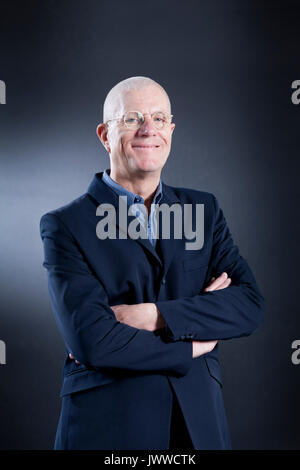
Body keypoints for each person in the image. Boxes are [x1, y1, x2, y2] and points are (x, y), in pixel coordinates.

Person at [40, 76, 264, 450]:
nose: (148, 129)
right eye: (132, 119)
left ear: (171, 131)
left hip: (198, 426)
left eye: (159, 119)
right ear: (105, 135)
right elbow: (93, 343)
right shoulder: (66, 225)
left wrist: (153, 315)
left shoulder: (203, 211)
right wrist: (195, 345)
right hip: (109, 428)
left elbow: (249, 306)